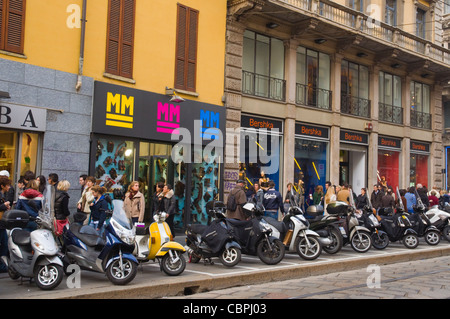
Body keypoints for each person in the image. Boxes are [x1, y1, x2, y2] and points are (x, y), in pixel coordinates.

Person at [0, 176, 11, 273]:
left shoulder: (3, 194)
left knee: (4, 244)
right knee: (3, 244)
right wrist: (4, 205)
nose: (9, 187)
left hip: (2, 224)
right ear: (2, 186)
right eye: (7, 185)